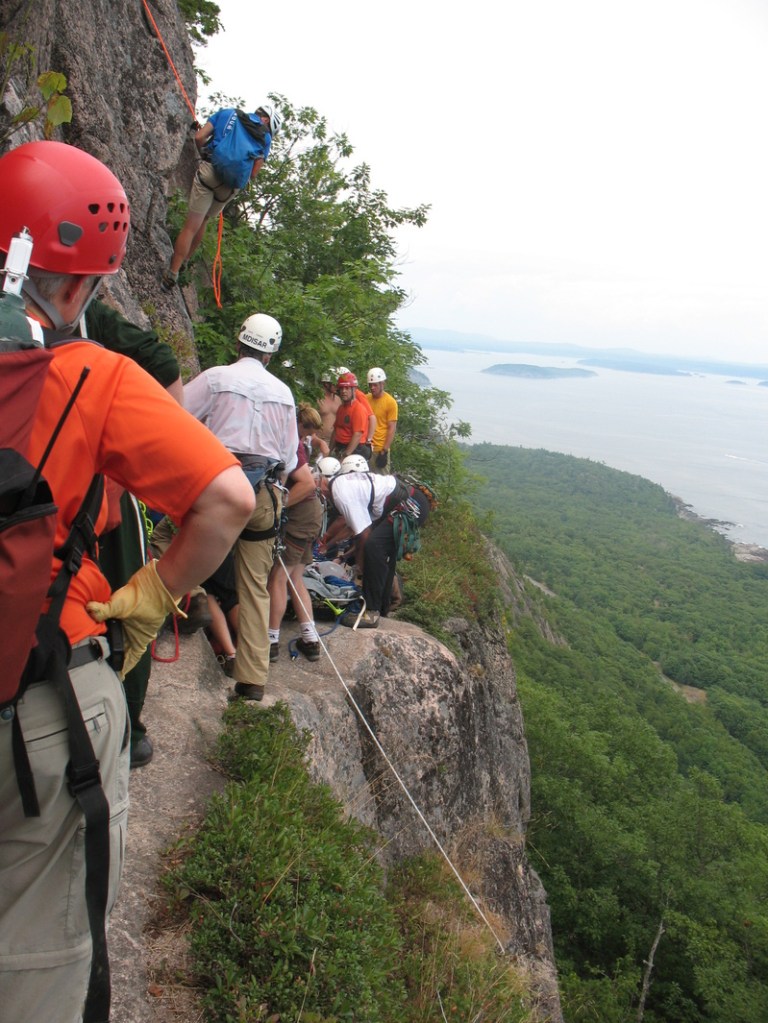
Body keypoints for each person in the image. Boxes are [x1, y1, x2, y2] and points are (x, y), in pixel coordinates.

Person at [0, 140, 255, 1023]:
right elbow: (227, 498)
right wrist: (147, 598)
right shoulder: (93, 376)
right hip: (40, 702)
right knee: (39, 949)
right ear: (78, 287)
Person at [85, 299, 184, 768]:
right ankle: (123, 726)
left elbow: (164, 367)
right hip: (91, 483)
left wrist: (120, 476)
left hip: (96, 490)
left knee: (123, 605)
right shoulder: (86, 315)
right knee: (127, 606)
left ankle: (126, 723)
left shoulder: (87, 316)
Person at [185, 312, 299, 702]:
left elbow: (176, 416)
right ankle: (252, 679)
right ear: (270, 354)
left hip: (218, 483)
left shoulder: (216, 379)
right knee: (254, 585)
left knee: (165, 538)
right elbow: (288, 459)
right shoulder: (283, 394)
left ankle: (196, 595)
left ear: (240, 342)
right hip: (263, 494)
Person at [162, 102, 281, 290]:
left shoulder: (228, 114)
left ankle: (172, 273)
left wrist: (206, 155)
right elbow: (254, 173)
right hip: (228, 188)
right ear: (266, 119)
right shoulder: (265, 139)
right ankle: (185, 260)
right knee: (205, 221)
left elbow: (199, 137)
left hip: (209, 172)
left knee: (191, 225)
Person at [317, 455, 430, 628]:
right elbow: (352, 525)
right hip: (409, 498)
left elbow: (363, 535)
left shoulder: (340, 492)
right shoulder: (344, 485)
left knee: (374, 547)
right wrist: (327, 545)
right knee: (382, 550)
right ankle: (382, 607)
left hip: (409, 503)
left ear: (322, 483)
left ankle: (370, 610)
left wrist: (361, 570)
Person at [267, 432, 324, 663]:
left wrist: (277, 509)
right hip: (313, 515)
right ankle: (310, 639)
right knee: (295, 577)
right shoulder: (296, 444)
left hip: (299, 518)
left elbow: (306, 484)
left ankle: (270, 641)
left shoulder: (285, 442)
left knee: (278, 577)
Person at [330, 371, 372, 461]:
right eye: (341, 388)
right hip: (340, 447)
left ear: (353, 390)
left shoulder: (358, 409)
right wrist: (329, 452)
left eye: (347, 388)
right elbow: (336, 430)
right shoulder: (341, 408)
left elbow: (357, 435)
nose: (343, 391)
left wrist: (345, 455)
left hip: (354, 450)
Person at [366, 366, 398, 474]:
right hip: (366, 447)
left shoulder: (390, 402)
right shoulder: (366, 399)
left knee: (382, 483)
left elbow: (391, 428)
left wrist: (384, 450)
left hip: (380, 448)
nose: (372, 388)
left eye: (375, 385)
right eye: (370, 385)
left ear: (382, 384)